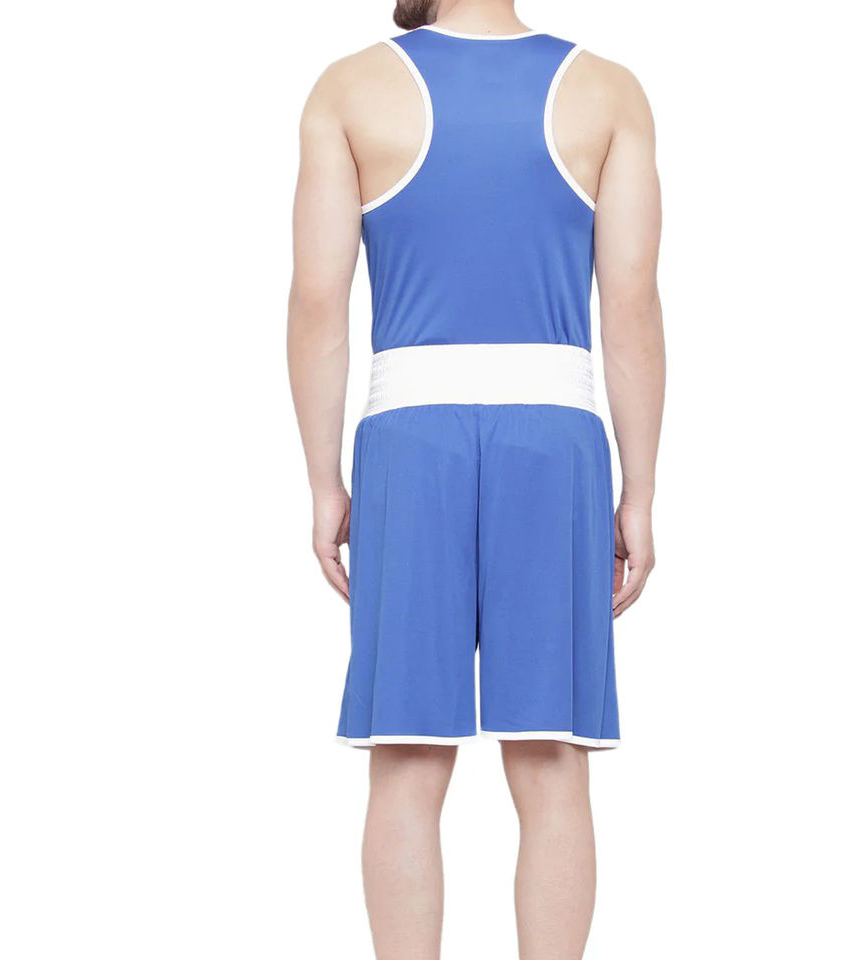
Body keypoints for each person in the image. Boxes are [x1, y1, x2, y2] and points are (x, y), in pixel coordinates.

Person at [287, 0, 664, 956]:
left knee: (408, 761)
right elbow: (630, 307)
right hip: (555, 438)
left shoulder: (349, 88)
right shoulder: (608, 91)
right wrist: (640, 490)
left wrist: (324, 480)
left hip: (410, 442)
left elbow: (319, 302)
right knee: (552, 760)